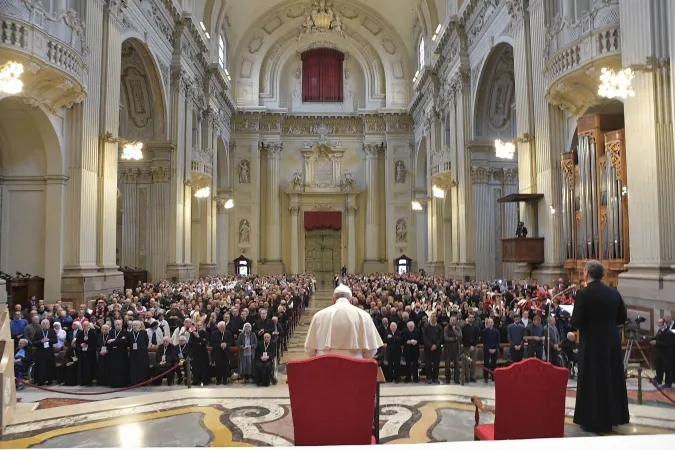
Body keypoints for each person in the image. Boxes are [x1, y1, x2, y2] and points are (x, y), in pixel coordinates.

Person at [571, 260, 629, 433]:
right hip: (611, 342)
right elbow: (621, 318)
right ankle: (612, 417)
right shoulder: (614, 292)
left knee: (593, 379)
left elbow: (576, 322)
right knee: (610, 378)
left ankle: (592, 420)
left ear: (587, 273)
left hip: (592, 343)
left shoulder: (583, 294)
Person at [304, 284, 383, 358]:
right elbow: (371, 351)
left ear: (333, 299)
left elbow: (309, 351)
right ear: (351, 300)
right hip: (355, 367)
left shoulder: (319, 316)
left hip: (325, 367)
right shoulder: (364, 316)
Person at [32, 319, 57, 385]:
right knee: (41, 366)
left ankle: (50, 380)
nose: (45, 325)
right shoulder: (38, 332)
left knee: (50, 366)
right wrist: (41, 341)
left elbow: (55, 340)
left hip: (49, 351)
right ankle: (40, 381)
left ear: (49, 325)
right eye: (44, 324)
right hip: (40, 352)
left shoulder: (52, 331)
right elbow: (33, 342)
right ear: (41, 325)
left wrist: (49, 339)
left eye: (46, 323)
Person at [651, 318, 674, 389]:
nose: (658, 324)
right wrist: (650, 339)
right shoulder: (660, 331)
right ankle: (659, 380)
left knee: (667, 369)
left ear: (664, 323)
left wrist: (656, 342)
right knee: (659, 367)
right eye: (658, 323)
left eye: (660, 323)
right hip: (659, 353)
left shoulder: (669, 332)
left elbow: (668, 343)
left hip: (667, 354)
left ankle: (668, 383)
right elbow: (656, 338)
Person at [423, 312, 443, 384]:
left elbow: (441, 338)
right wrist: (430, 345)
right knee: (428, 364)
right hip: (428, 349)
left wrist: (436, 345)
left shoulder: (439, 327)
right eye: (432, 316)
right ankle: (429, 378)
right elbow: (425, 338)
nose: (433, 318)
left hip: (437, 349)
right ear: (430, 318)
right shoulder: (426, 327)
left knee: (436, 364)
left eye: (434, 317)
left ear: (436, 318)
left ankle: (435, 378)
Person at [212, 321, 234, 385]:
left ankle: (225, 380)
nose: (223, 328)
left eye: (224, 327)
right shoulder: (214, 333)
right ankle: (218, 380)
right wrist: (220, 345)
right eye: (221, 327)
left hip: (226, 353)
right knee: (218, 367)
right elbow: (212, 343)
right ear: (218, 327)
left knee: (225, 367)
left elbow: (231, 342)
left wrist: (226, 344)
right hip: (218, 353)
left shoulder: (228, 333)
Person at [129, 320, 150, 385]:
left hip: (142, 353)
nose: (135, 327)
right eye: (133, 325)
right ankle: (134, 382)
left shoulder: (143, 332)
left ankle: (143, 382)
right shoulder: (130, 333)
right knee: (134, 368)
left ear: (139, 326)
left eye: (136, 325)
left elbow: (146, 342)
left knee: (142, 367)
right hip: (133, 354)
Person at [480, 318, 500, 383]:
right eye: (489, 322)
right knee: (486, 363)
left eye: (491, 322)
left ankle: (493, 376)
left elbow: (498, 341)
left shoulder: (496, 331)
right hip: (487, 349)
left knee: (493, 364)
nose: (490, 324)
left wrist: (495, 349)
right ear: (487, 323)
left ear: (493, 323)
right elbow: (484, 341)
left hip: (494, 349)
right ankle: (485, 377)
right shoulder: (484, 331)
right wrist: (488, 349)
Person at [443, 316, 462, 384]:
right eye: (451, 320)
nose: (452, 321)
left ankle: (456, 379)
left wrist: (454, 330)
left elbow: (460, 337)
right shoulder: (446, 328)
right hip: (448, 349)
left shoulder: (458, 328)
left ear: (456, 321)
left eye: (454, 320)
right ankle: (447, 378)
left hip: (456, 348)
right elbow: (445, 338)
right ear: (449, 321)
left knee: (457, 364)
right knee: (447, 365)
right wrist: (454, 339)